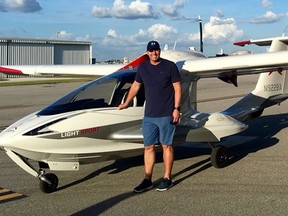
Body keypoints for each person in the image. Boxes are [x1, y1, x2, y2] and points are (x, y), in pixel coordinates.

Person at [118, 40, 181, 192]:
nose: (154, 53)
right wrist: (126, 102)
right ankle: (147, 179)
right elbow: (136, 86)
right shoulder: (143, 68)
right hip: (149, 115)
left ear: (159, 51)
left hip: (166, 113)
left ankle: (167, 178)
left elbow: (177, 88)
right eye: (151, 51)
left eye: (156, 50)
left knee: (166, 145)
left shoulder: (169, 66)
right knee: (148, 147)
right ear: (147, 52)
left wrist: (176, 109)